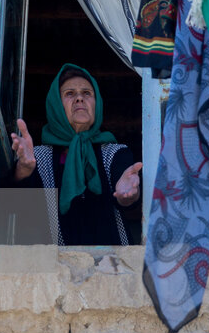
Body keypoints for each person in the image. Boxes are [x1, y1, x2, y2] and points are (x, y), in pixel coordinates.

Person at [9, 64, 142, 246]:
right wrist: (23, 169)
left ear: (97, 104)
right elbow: (15, 209)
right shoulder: (38, 158)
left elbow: (128, 196)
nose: (79, 98)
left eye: (87, 93)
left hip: (113, 267)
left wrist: (128, 196)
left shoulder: (114, 153)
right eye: (70, 93)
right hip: (56, 268)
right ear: (56, 105)